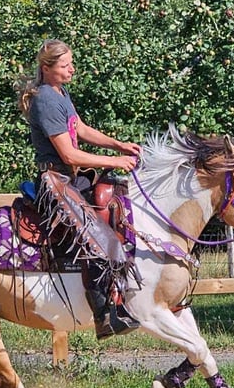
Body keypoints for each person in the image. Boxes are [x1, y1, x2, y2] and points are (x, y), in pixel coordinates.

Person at [16, 39, 142, 339]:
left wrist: (118, 143)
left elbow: (80, 129)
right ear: (46, 69)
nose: (71, 69)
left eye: (71, 63)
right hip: (55, 182)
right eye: (64, 65)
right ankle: (104, 315)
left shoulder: (60, 92)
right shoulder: (45, 99)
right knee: (97, 237)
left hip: (72, 180)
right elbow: (69, 155)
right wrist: (115, 160)